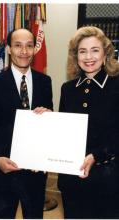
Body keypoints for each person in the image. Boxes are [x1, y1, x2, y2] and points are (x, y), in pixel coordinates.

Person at [0, 28, 53, 219]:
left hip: (36, 170)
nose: (24, 51)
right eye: (18, 46)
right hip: (5, 169)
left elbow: (49, 124)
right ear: (8, 49)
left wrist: (49, 116)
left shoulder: (45, 82)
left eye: (29, 46)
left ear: (34, 49)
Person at [58, 26, 119, 218]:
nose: (88, 57)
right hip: (72, 178)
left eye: (95, 50)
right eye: (82, 51)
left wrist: (96, 155)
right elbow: (63, 132)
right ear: (75, 56)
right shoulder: (67, 89)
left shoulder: (116, 85)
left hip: (108, 178)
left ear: (106, 53)